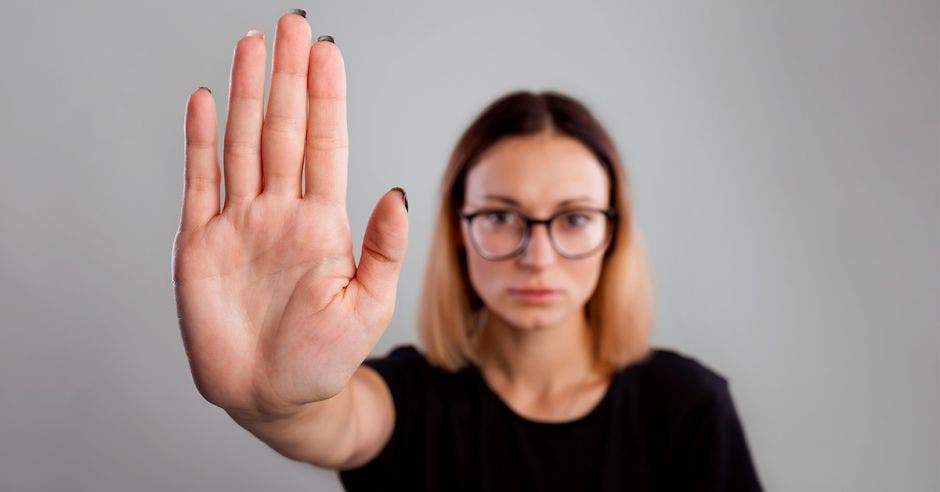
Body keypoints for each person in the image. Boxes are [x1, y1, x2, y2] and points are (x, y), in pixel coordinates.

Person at [173, 9, 763, 491]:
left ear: (614, 234)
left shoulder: (688, 409)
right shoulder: (409, 401)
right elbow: (338, 422)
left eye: (575, 218)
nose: (537, 255)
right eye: (502, 216)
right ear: (459, 228)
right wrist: (271, 405)